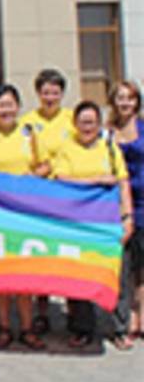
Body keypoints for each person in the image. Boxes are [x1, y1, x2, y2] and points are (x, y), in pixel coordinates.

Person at [0, 84, 48, 351]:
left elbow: (46, 164)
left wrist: (34, 177)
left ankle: (27, 329)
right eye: (1, 105)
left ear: (18, 107)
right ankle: (4, 328)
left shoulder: (30, 133)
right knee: (1, 276)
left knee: (25, 274)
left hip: (26, 214)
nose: (6, 110)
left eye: (10, 104)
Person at [51, 101, 134, 349]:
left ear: (99, 124)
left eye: (92, 122)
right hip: (78, 223)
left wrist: (128, 217)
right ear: (75, 124)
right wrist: (98, 180)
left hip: (109, 222)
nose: (88, 127)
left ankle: (119, 329)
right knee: (80, 277)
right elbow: (63, 179)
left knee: (117, 274)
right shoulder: (66, 148)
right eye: (83, 122)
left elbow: (122, 183)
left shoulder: (110, 149)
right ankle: (83, 328)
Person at [20, 68, 73, 335]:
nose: (49, 96)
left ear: (62, 93)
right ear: (38, 93)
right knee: (40, 254)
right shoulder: (28, 121)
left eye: (54, 92)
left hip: (66, 194)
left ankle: (73, 310)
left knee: (65, 255)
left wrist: (51, 166)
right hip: (38, 195)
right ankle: (41, 312)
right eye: (45, 92)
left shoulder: (72, 119)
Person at [106, 81, 144, 348]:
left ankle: (141, 317)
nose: (125, 103)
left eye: (129, 99)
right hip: (118, 205)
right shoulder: (107, 133)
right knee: (123, 266)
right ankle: (125, 319)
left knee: (142, 268)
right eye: (120, 98)